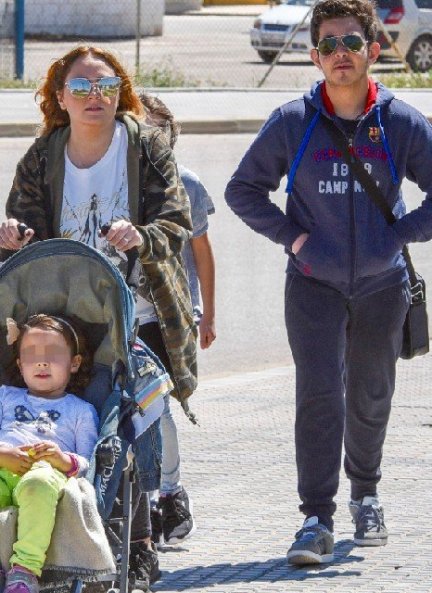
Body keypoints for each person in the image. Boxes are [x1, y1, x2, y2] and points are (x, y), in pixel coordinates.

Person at [225, 0, 432, 566]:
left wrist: (399, 237)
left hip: (381, 288)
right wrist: (296, 241)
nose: (341, 53)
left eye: (351, 42)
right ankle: (316, 518)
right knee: (318, 398)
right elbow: (242, 190)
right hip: (312, 285)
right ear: (315, 56)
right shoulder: (294, 122)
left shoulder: (402, 123)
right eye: (329, 45)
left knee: (370, 395)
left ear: (372, 49)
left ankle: (366, 493)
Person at [0, 45, 197, 590]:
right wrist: (12, 235)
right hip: (62, 313)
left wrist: (143, 236)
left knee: (135, 421)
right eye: (81, 88)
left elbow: (177, 221)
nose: (95, 98)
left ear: (121, 92)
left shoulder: (146, 146)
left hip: (140, 305)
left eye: (106, 87)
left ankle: (143, 535)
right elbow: (24, 229)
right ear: (59, 97)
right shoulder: (43, 156)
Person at [140, 92, 216, 546]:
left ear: (170, 133)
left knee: (159, 406)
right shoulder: (117, 178)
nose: (148, 138)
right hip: (119, 313)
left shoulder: (187, 184)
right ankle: (133, 497)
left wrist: (206, 314)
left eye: (156, 129)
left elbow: (202, 255)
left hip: (168, 317)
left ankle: (169, 492)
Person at [0, 314, 98, 593]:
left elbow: (88, 463)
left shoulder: (80, 410)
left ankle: (25, 571)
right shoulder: (5, 397)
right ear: (20, 364)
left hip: (46, 473)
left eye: (53, 354)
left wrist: (61, 459)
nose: (41, 362)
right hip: (3, 464)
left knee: (38, 483)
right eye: (31, 355)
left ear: (74, 363)